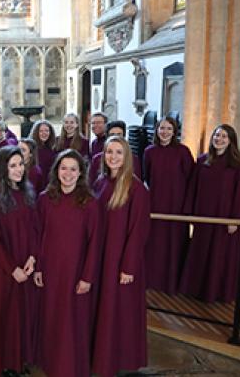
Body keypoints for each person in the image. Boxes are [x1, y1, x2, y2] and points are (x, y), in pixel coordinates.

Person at [34, 150, 103, 377]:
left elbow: (95, 244)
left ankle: (73, 366)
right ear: (56, 170)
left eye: (73, 169)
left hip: (77, 272)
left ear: (81, 173)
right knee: (52, 317)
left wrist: (87, 277)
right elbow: (38, 235)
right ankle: (51, 364)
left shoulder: (90, 203)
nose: (68, 173)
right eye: (64, 168)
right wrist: (39, 268)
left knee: (74, 320)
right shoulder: (45, 199)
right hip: (51, 270)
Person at [91, 136, 150, 377]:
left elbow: (138, 232)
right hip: (100, 257)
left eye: (118, 153)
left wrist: (128, 267)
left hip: (120, 261)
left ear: (127, 158)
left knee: (117, 312)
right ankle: (99, 357)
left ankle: (113, 360)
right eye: (109, 152)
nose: (113, 157)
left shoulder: (136, 188)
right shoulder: (100, 183)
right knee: (101, 309)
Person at [0, 146, 37, 377]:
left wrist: (32, 257)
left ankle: (16, 361)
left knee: (19, 316)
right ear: (2, 168)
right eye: (13, 165)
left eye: (21, 164)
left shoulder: (28, 193)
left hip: (25, 264)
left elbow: (34, 228)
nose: (19, 169)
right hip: (0, 268)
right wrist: (12, 269)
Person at [178, 124, 240, 303]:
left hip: (225, 219)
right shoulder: (203, 160)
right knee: (201, 252)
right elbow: (193, 188)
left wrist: (235, 220)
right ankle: (196, 289)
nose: (219, 139)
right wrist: (190, 213)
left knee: (220, 255)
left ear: (231, 141)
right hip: (203, 216)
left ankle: (217, 293)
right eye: (217, 136)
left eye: (224, 136)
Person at [143, 117, 194, 294]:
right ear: (157, 130)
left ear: (174, 132)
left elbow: (191, 181)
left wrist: (187, 209)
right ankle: (153, 280)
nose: (164, 132)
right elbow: (147, 178)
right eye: (161, 128)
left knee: (174, 245)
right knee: (155, 245)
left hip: (177, 207)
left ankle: (172, 283)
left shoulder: (183, 152)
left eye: (168, 129)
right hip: (156, 205)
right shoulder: (149, 151)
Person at [88, 120, 142, 185]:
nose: (116, 137)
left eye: (119, 134)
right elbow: (91, 183)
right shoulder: (97, 159)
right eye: (112, 134)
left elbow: (137, 182)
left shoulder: (133, 159)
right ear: (107, 137)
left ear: (124, 136)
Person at [29, 119, 56, 187]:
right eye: (41, 131)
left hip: (49, 184)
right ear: (36, 133)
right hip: (36, 184)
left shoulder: (52, 148)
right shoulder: (31, 149)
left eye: (47, 131)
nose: (44, 133)